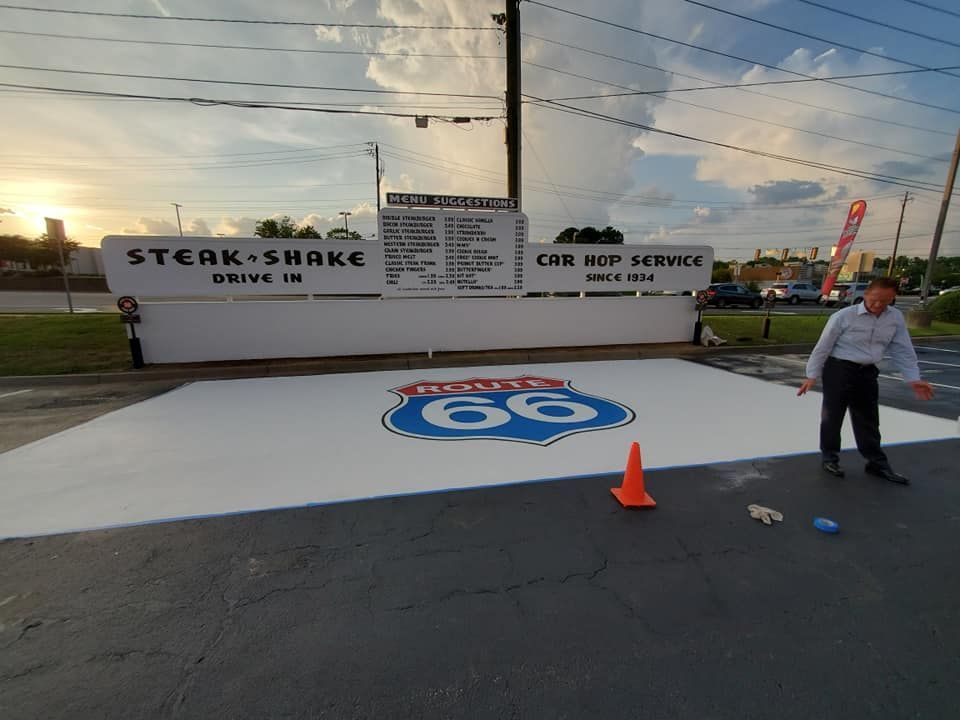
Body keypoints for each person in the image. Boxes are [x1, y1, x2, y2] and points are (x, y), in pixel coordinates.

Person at [797, 277, 934, 484]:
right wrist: (811, 375)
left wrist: (913, 378)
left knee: (868, 419)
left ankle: (876, 463)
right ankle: (830, 458)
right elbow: (823, 347)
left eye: (885, 301)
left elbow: (902, 349)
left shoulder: (895, 317)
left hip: (868, 371)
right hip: (839, 369)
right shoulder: (843, 316)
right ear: (866, 294)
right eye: (874, 300)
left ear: (893, 298)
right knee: (832, 416)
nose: (878, 305)